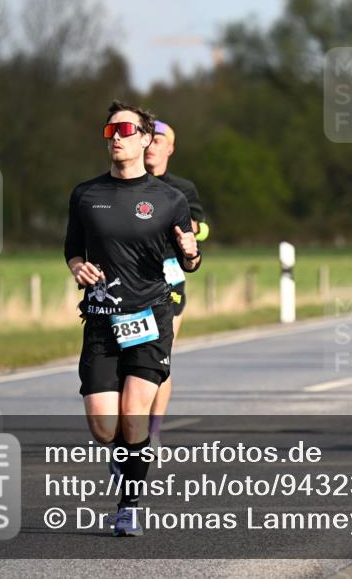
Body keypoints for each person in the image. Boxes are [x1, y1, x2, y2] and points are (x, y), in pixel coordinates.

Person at [65, 101, 201, 536]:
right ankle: (126, 451)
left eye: (124, 129)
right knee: (106, 428)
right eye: (109, 132)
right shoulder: (86, 194)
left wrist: (191, 251)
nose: (116, 137)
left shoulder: (170, 199)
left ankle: (129, 504)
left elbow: (191, 262)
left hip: (150, 316)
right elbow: (72, 248)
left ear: (145, 138)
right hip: (102, 319)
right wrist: (76, 268)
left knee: (134, 412)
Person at [144, 119, 209, 447]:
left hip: (169, 276)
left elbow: (203, 228)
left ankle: (152, 432)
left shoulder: (182, 189)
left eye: (159, 140)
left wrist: (192, 228)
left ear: (170, 148)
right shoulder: (126, 184)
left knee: (160, 355)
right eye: (148, 139)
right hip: (131, 277)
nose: (151, 145)